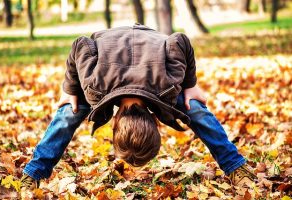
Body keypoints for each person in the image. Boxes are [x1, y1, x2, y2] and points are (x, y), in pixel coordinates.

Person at [21, 24, 256, 189]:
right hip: (115, 49)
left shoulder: (166, 85)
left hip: (146, 46)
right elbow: (80, 45)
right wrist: (70, 91)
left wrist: (190, 87)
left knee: (193, 106)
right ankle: (33, 173)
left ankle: (235, 167)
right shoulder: (97, 86)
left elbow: (180, 41)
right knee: (69, 110)